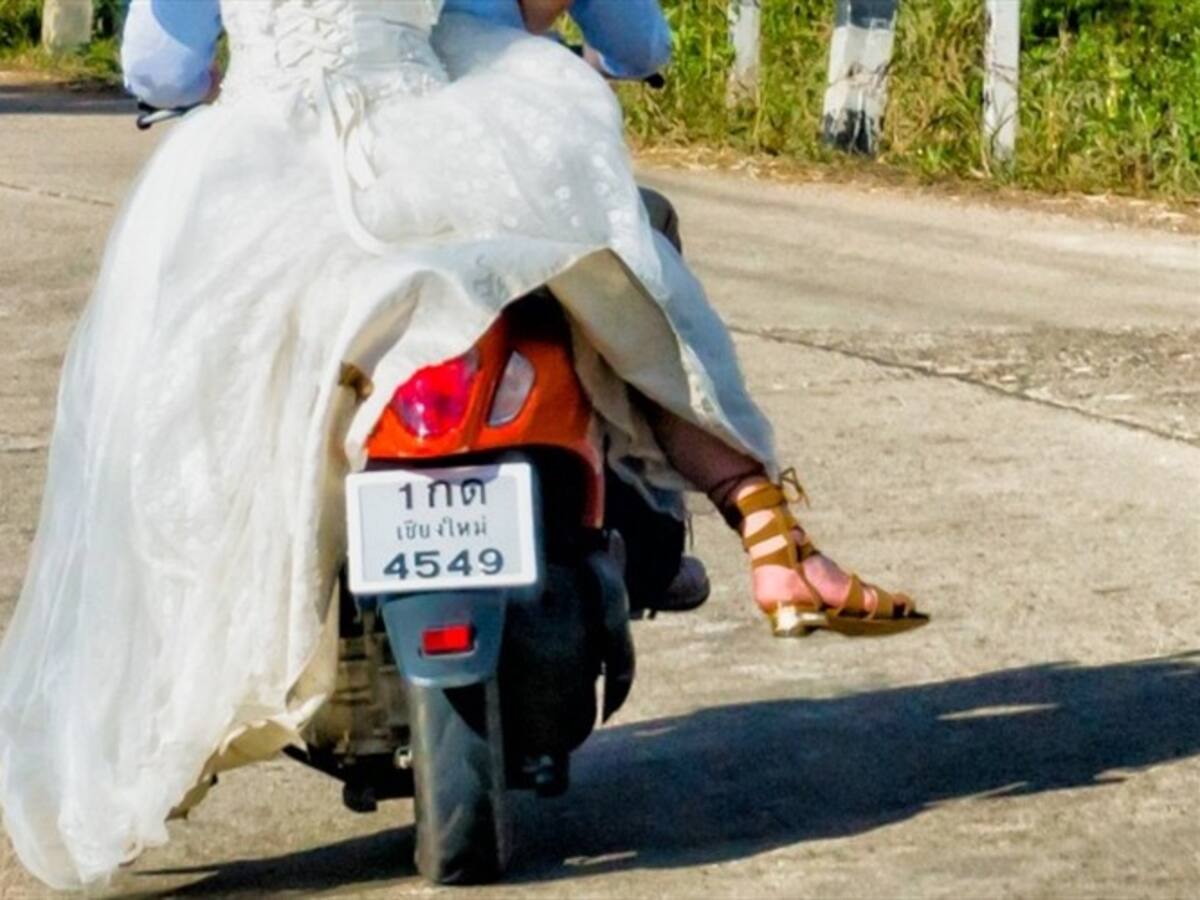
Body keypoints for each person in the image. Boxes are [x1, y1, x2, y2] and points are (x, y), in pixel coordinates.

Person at [0, 0, 925, 889]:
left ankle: (178, 693)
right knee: (619, 278)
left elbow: (159, 67)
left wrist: (206, 71)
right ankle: (767, 530)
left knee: (178, 403)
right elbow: (547, 21)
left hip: (259, 165)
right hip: (428, 138)